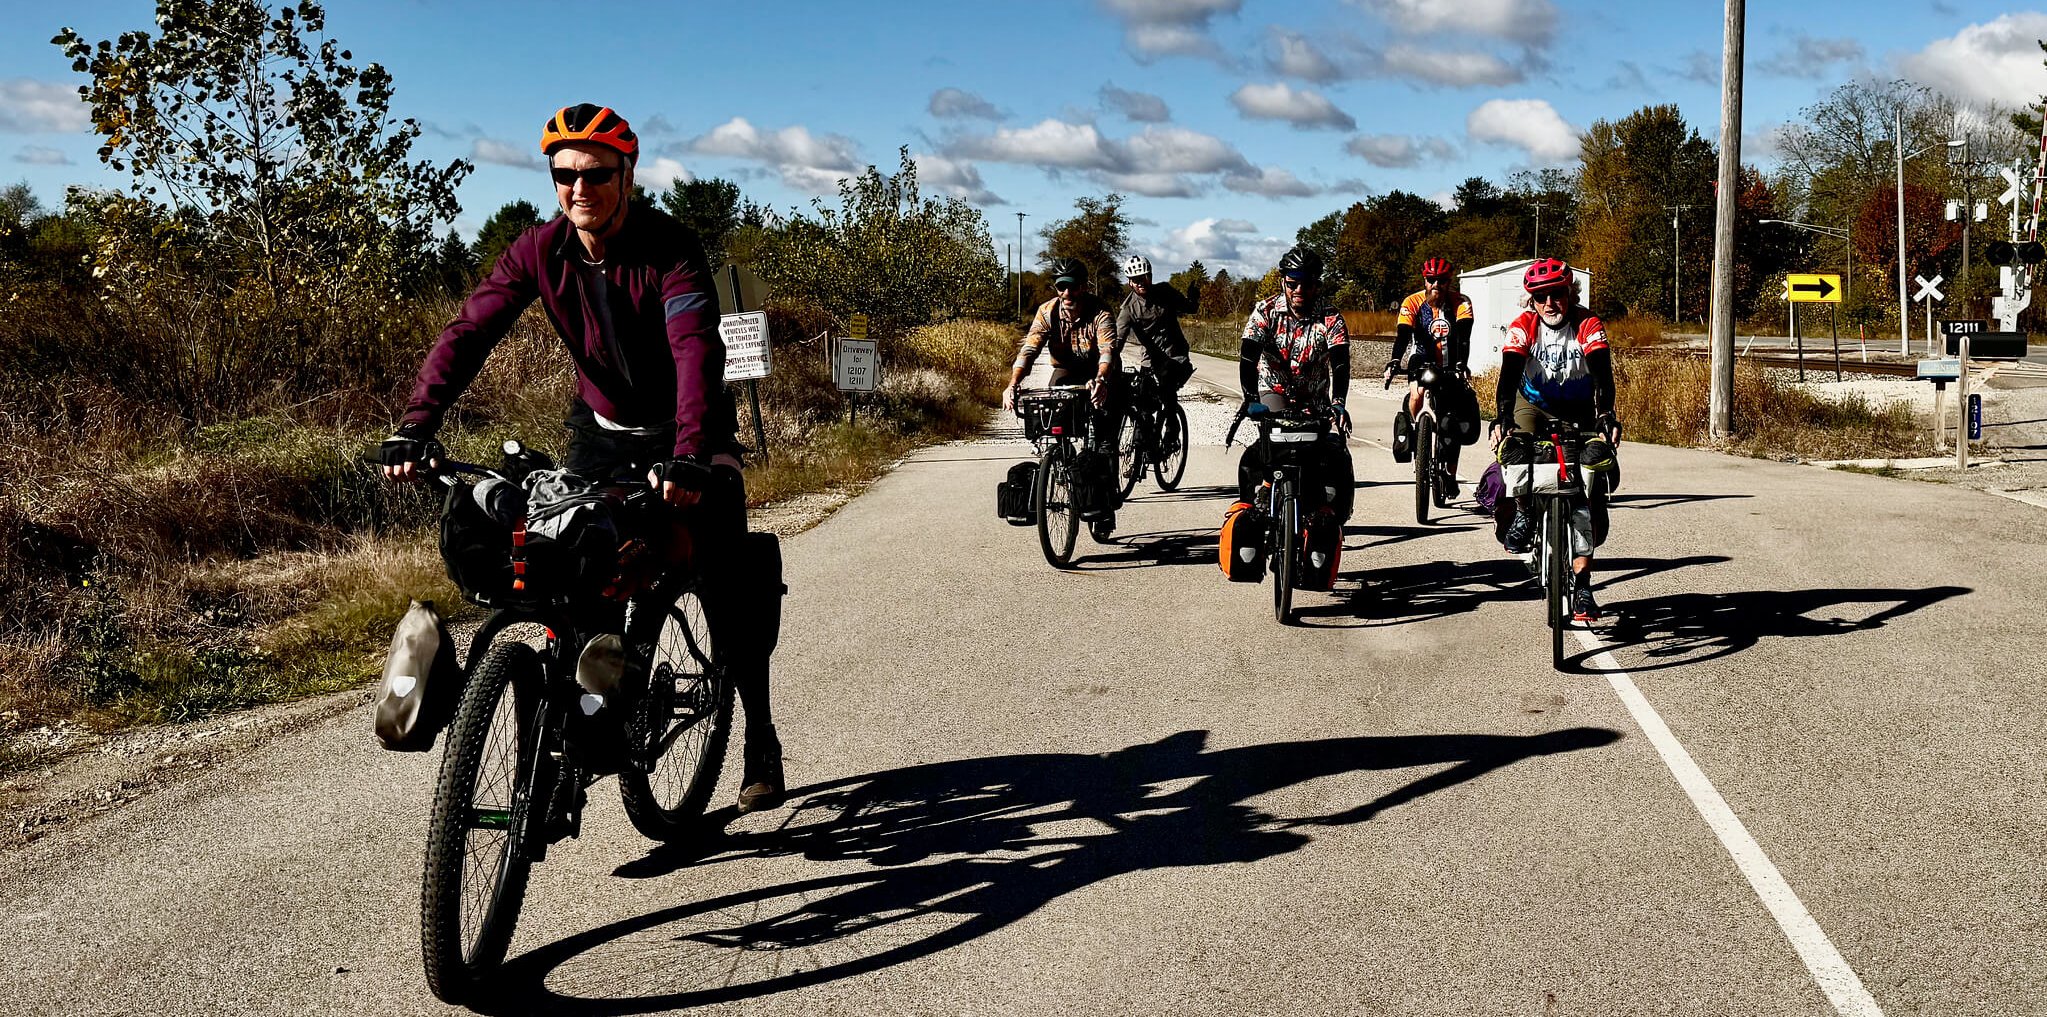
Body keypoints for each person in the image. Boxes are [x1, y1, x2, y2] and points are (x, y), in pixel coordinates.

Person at [377, 103, 787, 812]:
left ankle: (759, 735)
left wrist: (690, 455)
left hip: (687, 431)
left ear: (627, 174)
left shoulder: (669, 248)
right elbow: (469, 331)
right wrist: (415, 425)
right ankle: (589, 722)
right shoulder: (538, 249)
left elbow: (693, 345)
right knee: (576, 564)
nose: (578, 189)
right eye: (563, 174)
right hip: (599, 430)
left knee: (727, 576)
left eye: (595, 174)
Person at [1491, 257, 1620, 622]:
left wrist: (1606, 415)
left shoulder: (1588, 323)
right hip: (1533, 402)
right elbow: (1509, 374)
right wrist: (1501, 418)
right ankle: (1523, 512)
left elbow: (1603, 377)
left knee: (1586, 480)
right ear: (1531, 300)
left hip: (1578, 407)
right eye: (1540, 296)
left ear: (1570, 294)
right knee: (1515, 448)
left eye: (1557, 294)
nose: (1549, 303)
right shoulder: (1524, 326)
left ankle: (1583, 587)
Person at [1004, 257, 1125, 535]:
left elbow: (1108, 351)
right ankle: (1061, 460)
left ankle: (1105, 505)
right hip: (1067, 370)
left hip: (1102, 373)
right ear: (1056, 288)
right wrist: (1013, 384)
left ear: (1083, 286)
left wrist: (1101, 380)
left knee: (1104, 439)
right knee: (1053, 418)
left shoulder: (1100, 312)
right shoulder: (1047, 311)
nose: (1067, 293)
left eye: (1072, 287)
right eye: (1061, 287)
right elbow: (1029, 350)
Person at [1235, 246, 1354, 520]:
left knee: (1326, 458)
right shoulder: (1264, 312)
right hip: (1273, 390)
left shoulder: (1331, 318)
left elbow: (1340, 364)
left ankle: (1328, 515)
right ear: (1282, 282)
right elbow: (1248, 357)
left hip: (1314, 399)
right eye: (1292, 283)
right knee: (1269, 448)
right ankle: (1263, 490)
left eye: (1307, 284)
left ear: (1317, 284)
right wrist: (1250, 398)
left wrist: (1339, 402)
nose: (1299, 290)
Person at [1385, 257, 1474, 481]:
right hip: (1421, 358)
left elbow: (1464, 337)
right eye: (1431, 280)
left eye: (1441, 280)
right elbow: (1403, 334)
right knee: (1417, 393)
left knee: (1451, 423)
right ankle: (1417, 433)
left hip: (1450, 362)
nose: (1436, 285)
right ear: (1424, 280)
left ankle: (1450, 475)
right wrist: (1395, 360)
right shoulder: (1412, 302)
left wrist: (1462, 364)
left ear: (1449, 281)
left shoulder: (1461, 302)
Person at [1115, 254, 1194, 450]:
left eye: (1144, 277)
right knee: (1143, 402)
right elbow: (1118, 340)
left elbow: (1188, 307)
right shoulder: (1128, 309)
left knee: (1167, 385)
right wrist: (1108, 362)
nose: (1141, 282)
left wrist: (1194, 297)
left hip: (1176, 355)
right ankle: (1144, 445)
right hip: (1150, 361)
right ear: (1130, 282)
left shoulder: (1165, 291)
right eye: (1136, 279)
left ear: (1150, 275)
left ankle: (1172, 431)